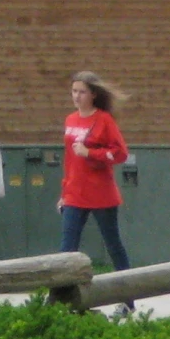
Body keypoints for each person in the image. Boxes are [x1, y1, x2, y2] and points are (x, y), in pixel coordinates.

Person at [59, 71, 132, 274]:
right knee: (66, 250)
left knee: (113, 245)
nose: (76, 96)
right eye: (74, 91)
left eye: (82, 92)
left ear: (93, 95)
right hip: (74, 194)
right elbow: (69, 161)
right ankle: (62, 300)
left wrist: (90, 152)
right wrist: (64, 193)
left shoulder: (104, 120)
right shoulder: (70, 120)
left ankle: (128, 299)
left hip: (101, 194)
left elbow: (120, 153)